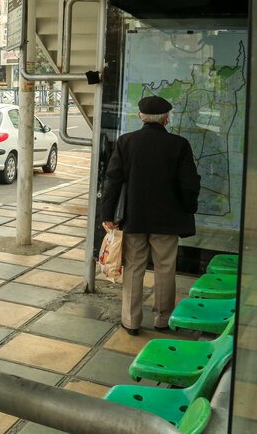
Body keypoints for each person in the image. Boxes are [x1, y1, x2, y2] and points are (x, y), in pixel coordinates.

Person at [98, 95, 200, 335]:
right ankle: (162, 320)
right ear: (166, 119)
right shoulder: (179, 145)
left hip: (134, 219)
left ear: (141, 117)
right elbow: (189, 184)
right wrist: (189, 208)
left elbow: (112, 181)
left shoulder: (126, 142)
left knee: (133, 268)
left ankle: (131, 321)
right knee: (165, 269)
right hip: (168, 220)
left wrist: (108, 214)